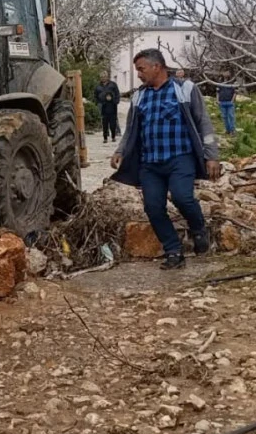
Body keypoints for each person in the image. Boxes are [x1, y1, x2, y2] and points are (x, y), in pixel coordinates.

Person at [110, 49, 220, 270]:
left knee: (182, 197)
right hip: (150, 163)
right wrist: (120, 151)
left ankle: (198, 229)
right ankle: (173, 251)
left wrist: (212, 156)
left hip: (180, 158)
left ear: (156, 67)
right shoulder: (140, 95)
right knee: (153, 207)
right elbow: (131, 129)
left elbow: (203, 123)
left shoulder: (185, 89)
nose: (139, 75)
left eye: (141, 69)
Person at [94, 72, 121, 143]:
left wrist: (116, 101)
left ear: (107, 77)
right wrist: (98, 102)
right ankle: (105, 137)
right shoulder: (98, 86)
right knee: (104, 122)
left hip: (112, 105)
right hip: (103, 105)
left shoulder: (113, 84)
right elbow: (95, 95)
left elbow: (117, 93)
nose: (103, 78)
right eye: (102, 77)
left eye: (104, 76)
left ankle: (114, 135)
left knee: (113, 122)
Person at [217, 71, 237, 135]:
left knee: (231, 116)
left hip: (229, 102)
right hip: (222, 102)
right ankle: (227, 130)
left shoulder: (232, 82)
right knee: (224, 117)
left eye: (227, 72)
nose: (225, 73)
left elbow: (235, 92)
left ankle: (232, 130)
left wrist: (232, 100)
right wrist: (217, 100)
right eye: (224, 72)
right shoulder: (220, 82)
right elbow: (217, 92)